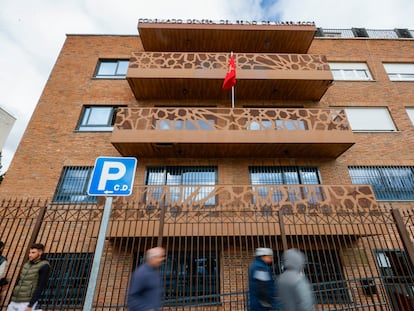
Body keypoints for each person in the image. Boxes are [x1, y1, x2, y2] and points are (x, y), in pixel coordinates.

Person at [7, 243, 50, 311]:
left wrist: (31, 305)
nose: (30, 255)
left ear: (40, 252)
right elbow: (20, 282)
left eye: (33, 252)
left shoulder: (44, 265)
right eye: (30, 252)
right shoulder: (27, 264)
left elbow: (40, 286)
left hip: (27, 302)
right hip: (15, 300)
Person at [127, 246, 166, 311]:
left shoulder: (154, 272)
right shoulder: (142, 273)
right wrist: (146, 309)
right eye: (160, 257)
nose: (162, 259)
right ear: (152, 258)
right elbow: (132, 296)